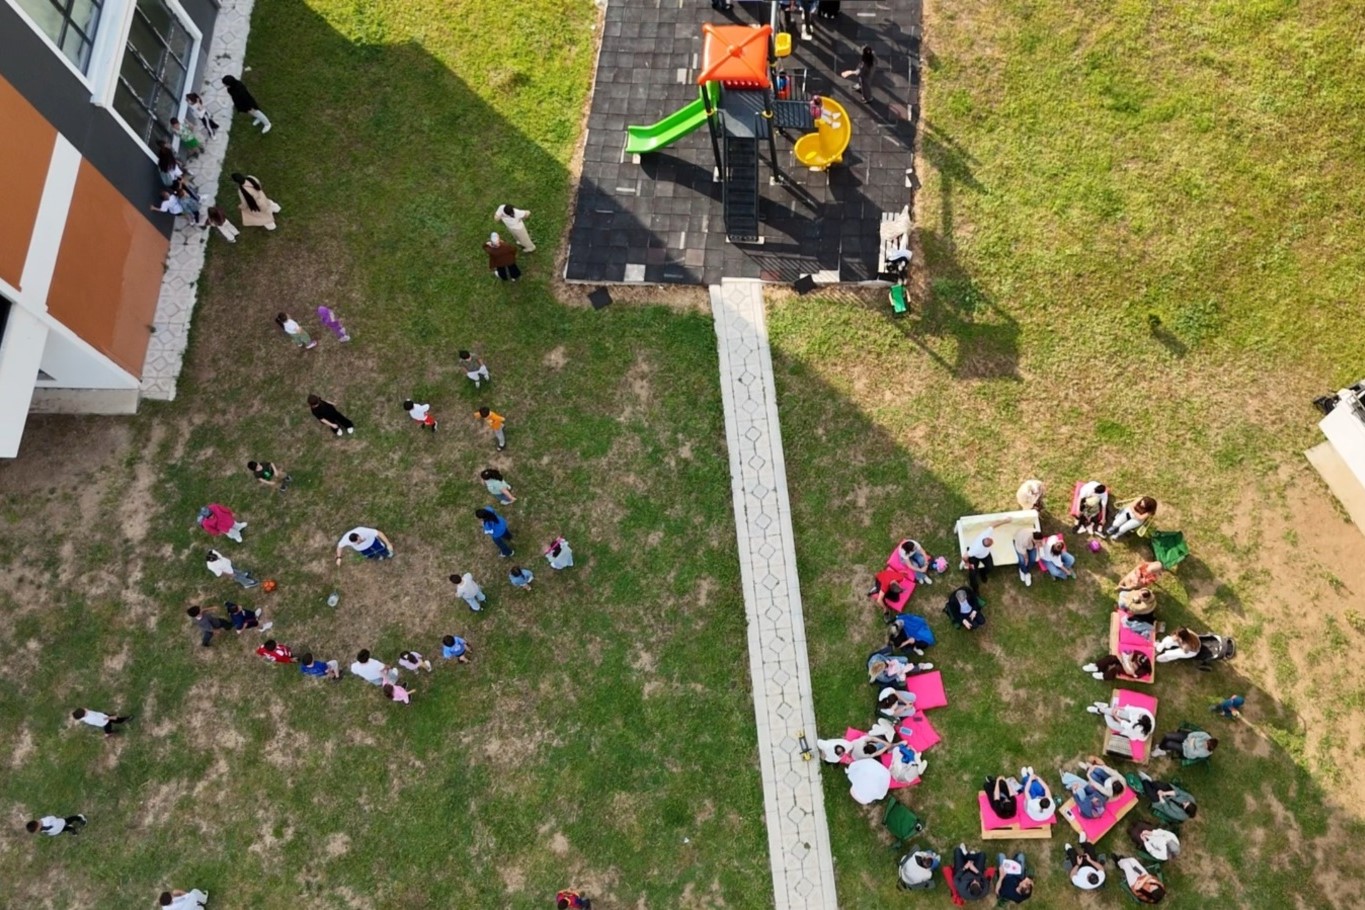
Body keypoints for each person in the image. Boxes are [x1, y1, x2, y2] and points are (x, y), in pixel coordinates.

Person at [1087, 701, 1155, 743]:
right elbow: (1132, 709)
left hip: (1131, 730)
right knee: (1118, 712)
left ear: (1139, 722)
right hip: (1133, 719)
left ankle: (1102, 709)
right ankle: (1101, 709)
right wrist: (1118, 708)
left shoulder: (1137, 729)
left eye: (1139, 716)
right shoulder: (1146, 714)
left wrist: (1116, 716)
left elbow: (1124, 724)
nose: (1140, 714)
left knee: (1111, 724)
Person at [867, 650, 933, 687]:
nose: (886, 665)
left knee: (905, 659)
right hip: (892, 672)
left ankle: (914, 666)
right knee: (904, 674)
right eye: (885, 666)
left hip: (889, 661)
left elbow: (880, 656)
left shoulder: (875, 658)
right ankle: (921, 667)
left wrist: (887, 661)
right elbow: (887, 680)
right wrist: (897, 674)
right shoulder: (881, 676)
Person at [1082, 650, 1152, 681]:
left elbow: (1129, 672)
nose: (1138, 658)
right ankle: (1096, 667)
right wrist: (1128, 660)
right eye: (1138, 658)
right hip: (1127, 662)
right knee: (1113, 658)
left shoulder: (1143, 670)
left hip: (1131, 671)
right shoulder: (1141, 654)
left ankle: (1104, 676)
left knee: (1117, 668)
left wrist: (1124, 662)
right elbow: (1132, 653)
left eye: (1138, 663)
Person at [1152, 728, 1217, 761]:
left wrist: (1192, 742)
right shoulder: (1206, 736)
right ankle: (1161, 748)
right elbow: (1193, 734)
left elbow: (1192, 752)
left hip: (1187, 750)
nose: (1205, 744)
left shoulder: (1205, 753)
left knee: (1169, 744)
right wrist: (1191, 742)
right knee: (1167, 736)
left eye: (1206, 746)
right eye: (1207, 742)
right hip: (1187, 738)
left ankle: (1161, 750)